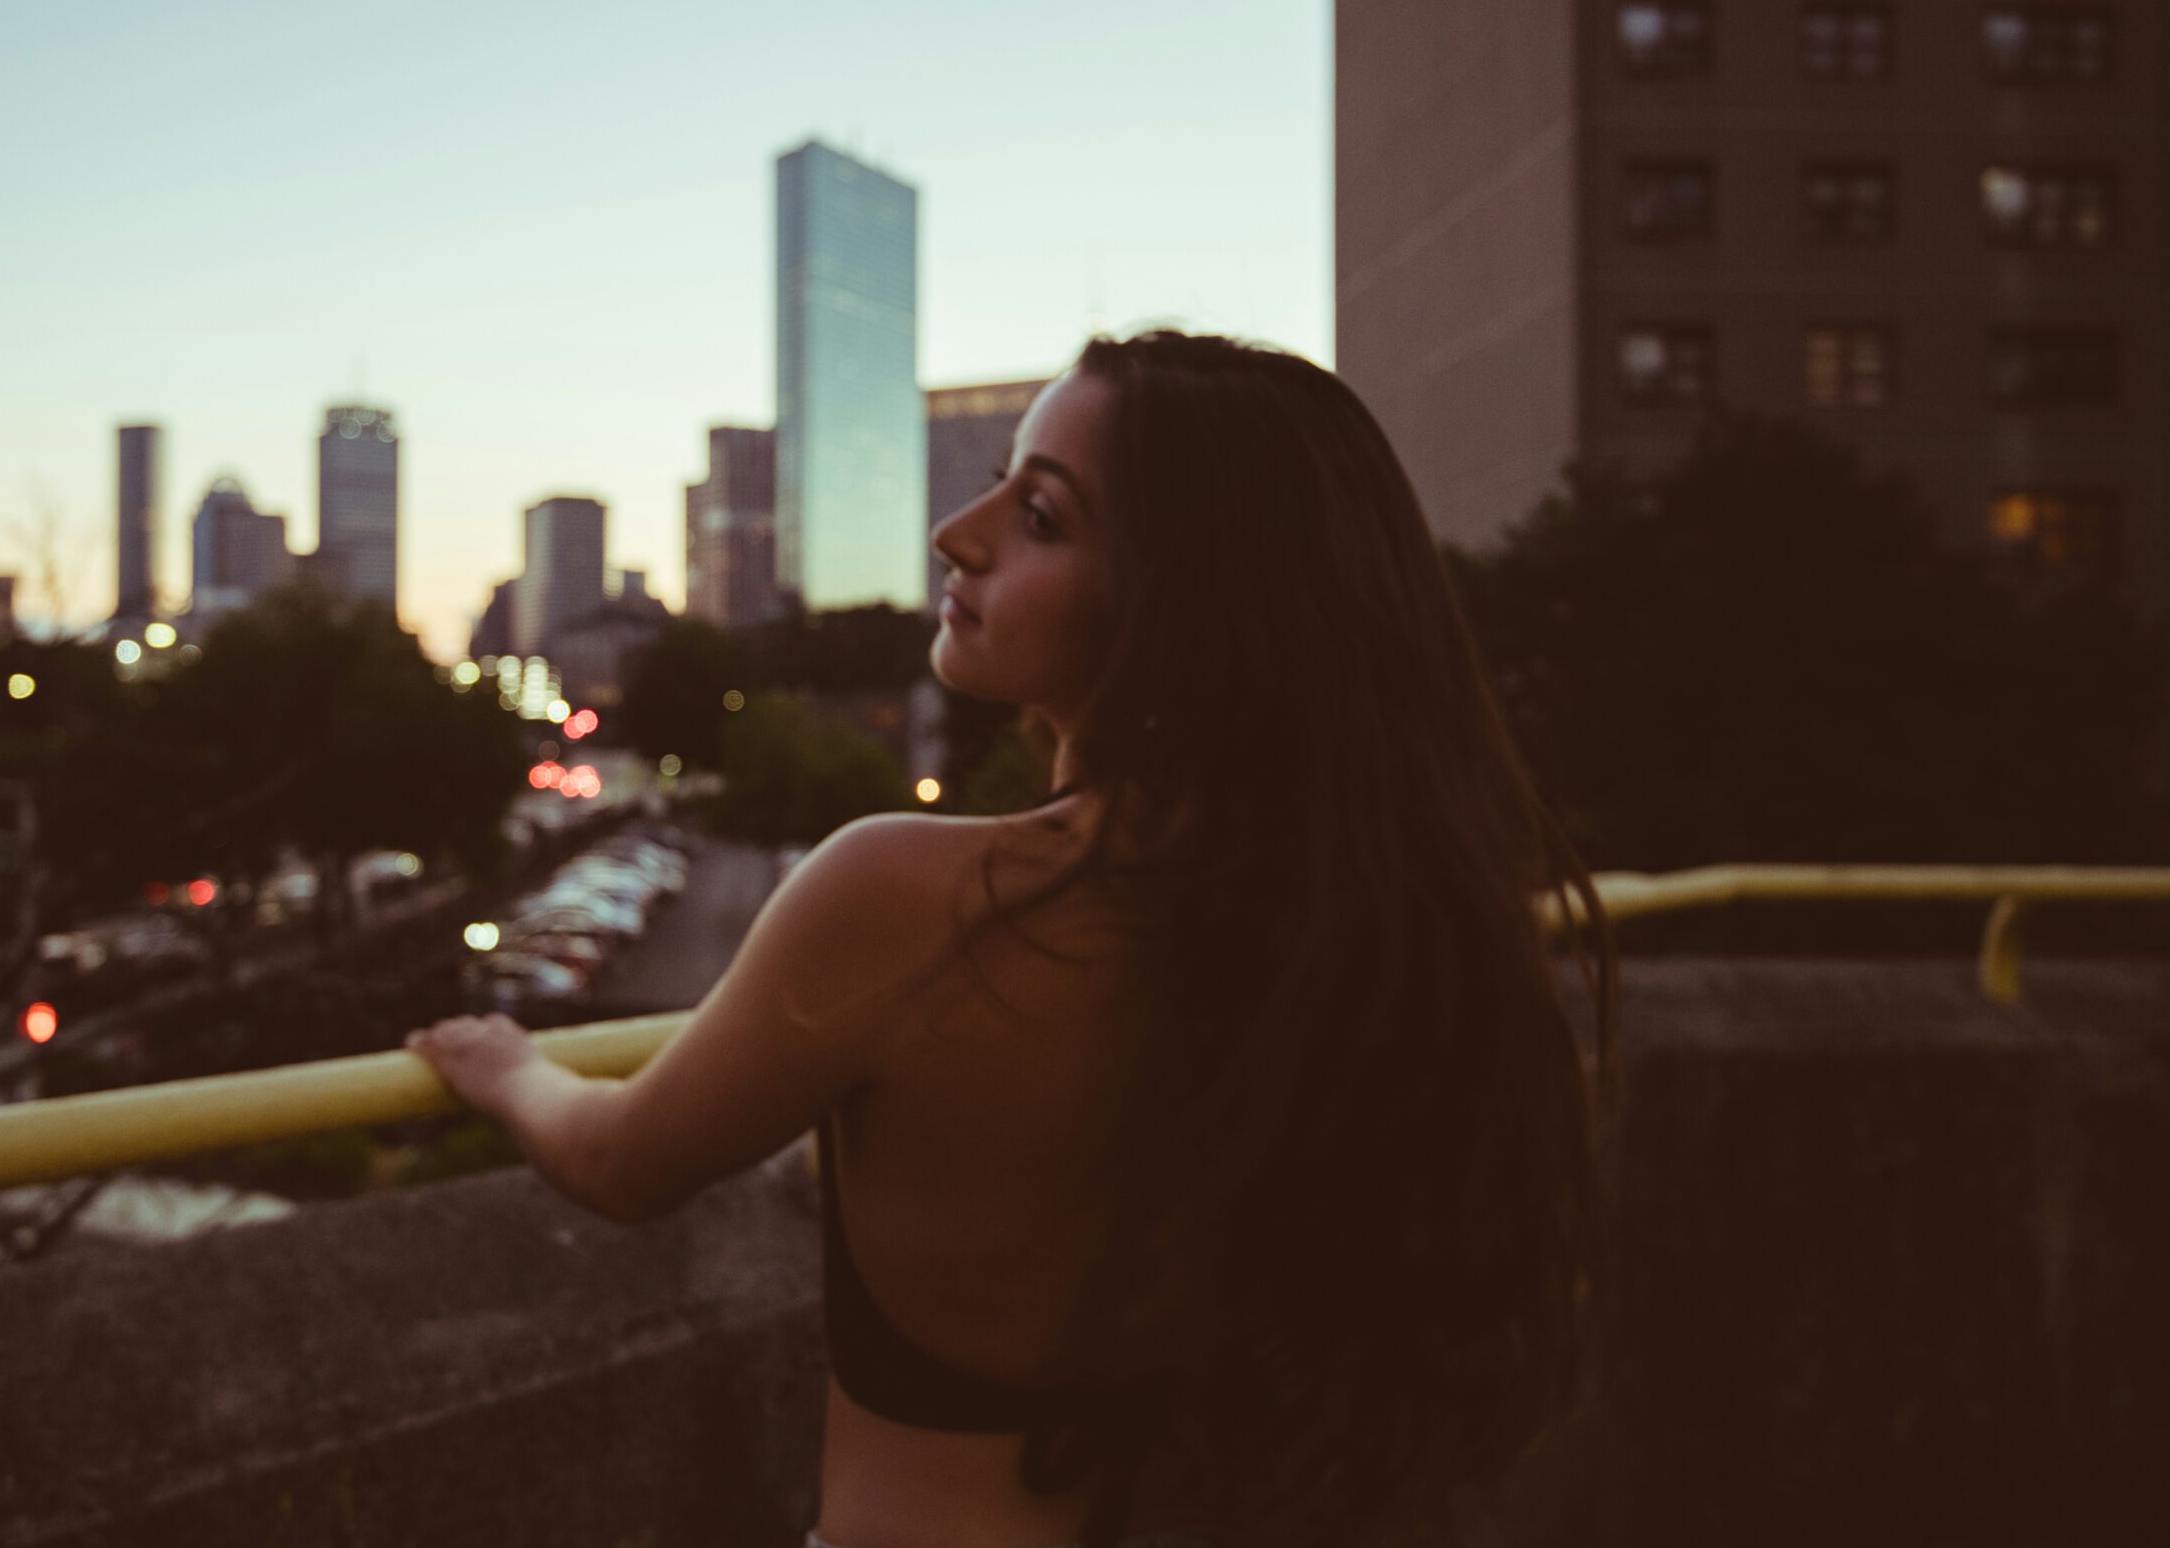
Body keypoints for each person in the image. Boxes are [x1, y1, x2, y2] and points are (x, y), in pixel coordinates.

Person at [408, 329, 1622, 1548]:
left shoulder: (909, 896)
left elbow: (623, 1163)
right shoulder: (1377, 937)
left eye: (1039, 516)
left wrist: (509, 1070)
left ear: (1184, 603)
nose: (960, 532)